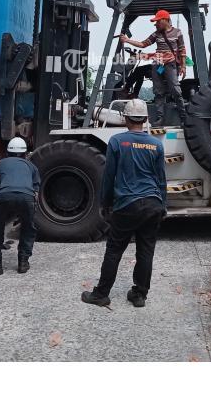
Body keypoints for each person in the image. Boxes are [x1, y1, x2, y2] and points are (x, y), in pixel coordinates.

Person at [81, 99, 167, 308]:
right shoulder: (156, 144)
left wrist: (105, 204)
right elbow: (161, 179)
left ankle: (101, 294)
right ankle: (139, 295)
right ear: (145, 119)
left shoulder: (117, 142)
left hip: (128, 204)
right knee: (146, 251)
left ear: (126, 119)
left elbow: (109, 176)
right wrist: (163, 205)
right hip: (153, 203)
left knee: (114, 250)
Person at [0, 137, 40, 275]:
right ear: (25, 154)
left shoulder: (0, 163)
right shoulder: (31, 166)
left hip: (3, 196)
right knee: (28, 228)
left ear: (7, 152)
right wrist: (30, 210)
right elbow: (36, 192)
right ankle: (23, 263)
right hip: (27, 197)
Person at [118, 9, 187, 126]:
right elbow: (143, 44)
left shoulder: (177, 32)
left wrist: (183, 66)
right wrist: (127, 40)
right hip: (158, 65)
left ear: (165, 20)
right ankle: (160, 118)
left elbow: (182, 50)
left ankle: (184, 117)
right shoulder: (156, 34)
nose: (156, 24)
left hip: (170, 64)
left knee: (176, 90)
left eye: (158, 21)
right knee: (158, 92)